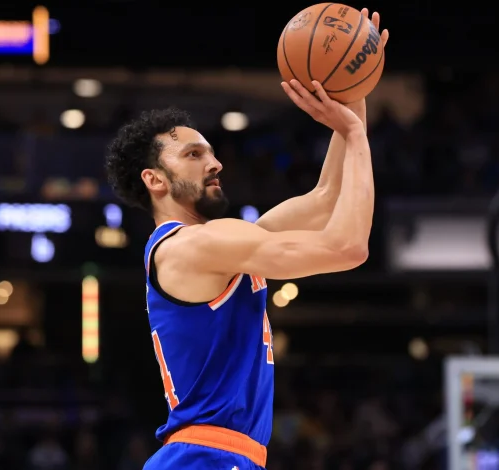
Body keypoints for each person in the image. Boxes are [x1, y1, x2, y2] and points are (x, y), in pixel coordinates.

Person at [104, 11, 388, 469]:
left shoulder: (221, 245)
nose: (215, 163)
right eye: (193, 154)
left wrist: (355, 90)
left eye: (212, 152)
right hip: (205, 457)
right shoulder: (195, 247)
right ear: (155, 180)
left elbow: (327, 197)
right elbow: (347, 247)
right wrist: (354, 134)